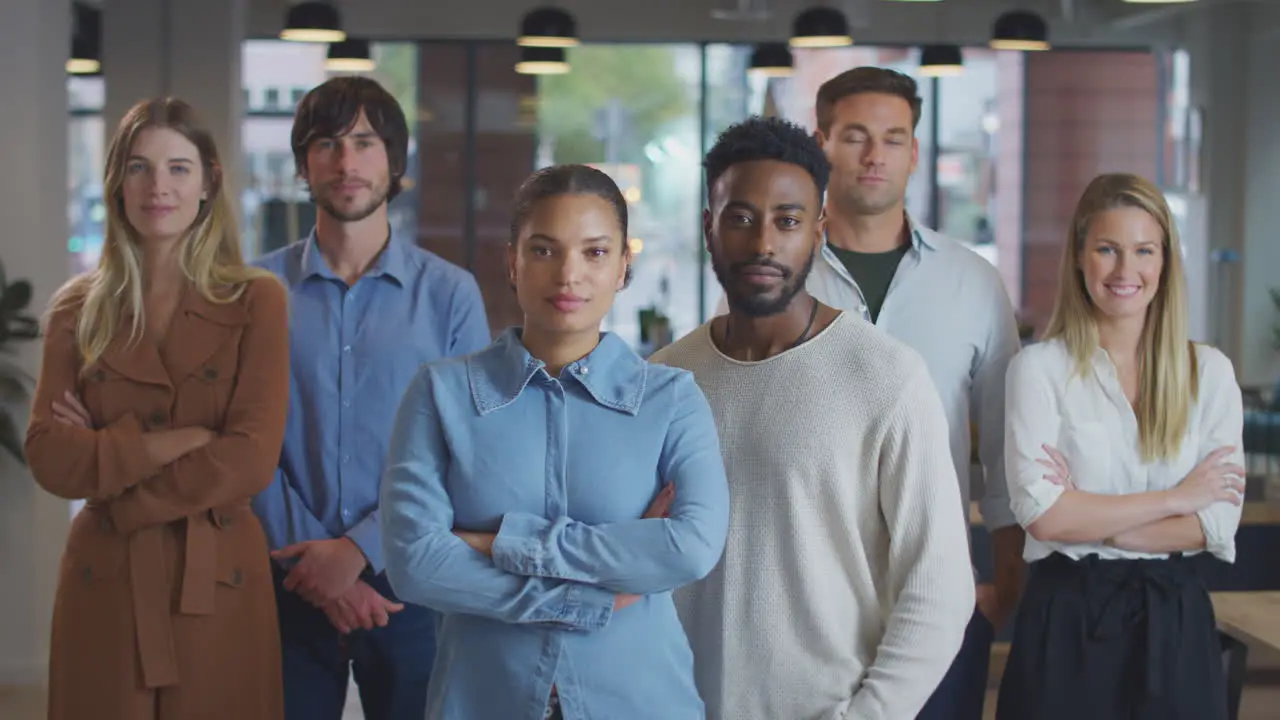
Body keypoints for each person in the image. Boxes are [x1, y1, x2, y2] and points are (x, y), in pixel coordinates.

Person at [378, 164, 730, 720]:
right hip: (484, 701)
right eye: (544, 250)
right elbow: (415, 561)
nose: (569, 275)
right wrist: (588, 596)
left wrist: (498, 542)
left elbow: (691, 547)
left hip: (641, 701)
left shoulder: (672, 401)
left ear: (622, 267)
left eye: (594, 253)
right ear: (512, 261)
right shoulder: (440, 393)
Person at [653, 116, 974, 720]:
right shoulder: (664, 380)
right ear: (708, 228)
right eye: (740, 218)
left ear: (818, 232)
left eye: (788, 220)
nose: (763, 243)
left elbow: (939, 590)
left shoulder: (887, 376)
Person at [25, 97, 289, 720]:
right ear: (117, 183)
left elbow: (251, 458)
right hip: (106, 580)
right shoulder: (76, 308)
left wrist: (117, 477)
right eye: (139, 168)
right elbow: (49, 457)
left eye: (178, 168)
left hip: (217, 576)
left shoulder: (257, 300)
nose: (158, 187)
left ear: (208, 183)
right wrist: (173, 442)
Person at [251, 76, 491, 720]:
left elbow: (460, 447)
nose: (347, 162)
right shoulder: (256, 291)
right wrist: (315, 564)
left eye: (365, 142)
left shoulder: (450, 294)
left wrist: (358, 551)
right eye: (327, 144)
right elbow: (241, 439)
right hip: (283, 578)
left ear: (395, 161)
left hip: (410, 580)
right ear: (305, 164)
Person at [807, 67, 1026, 719]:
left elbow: (1009, 453)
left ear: (915, 153)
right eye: (855, 136)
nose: (875, 156)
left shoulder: (973, 284)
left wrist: (1005, 586)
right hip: (806, 607)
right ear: (820, 143)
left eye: (893, 138)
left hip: (939, 602)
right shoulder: (778, 279)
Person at [997, 173, 1245, 720]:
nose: (1125, 270)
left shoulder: (1210, 374)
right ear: (1080, 258)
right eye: (1107, 249)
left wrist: (1092, 515)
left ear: (1165, 261)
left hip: (1174, 620)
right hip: (1067, 618)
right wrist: (1176, 498)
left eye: (1143, 250)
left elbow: (1216, 523)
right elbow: (1042, 515)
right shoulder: (1039, 370)